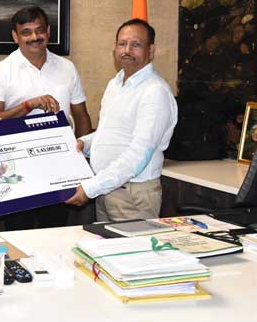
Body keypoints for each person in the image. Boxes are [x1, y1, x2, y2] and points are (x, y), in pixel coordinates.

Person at [0, 6, 92, 230]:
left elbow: (81, 116)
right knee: (20, 232)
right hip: (18, 168)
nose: (34, 37)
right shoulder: (3, 70)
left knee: (56, 230)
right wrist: (27, 105)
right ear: (15, 36)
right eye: (26, 32)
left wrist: (84, 161)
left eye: (39, 30)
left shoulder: (67, 67)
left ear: (48, 31)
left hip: (60, 166)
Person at [66, 18, 177, 221]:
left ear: (151, 50)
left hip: (132, 196)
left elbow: (139, 154)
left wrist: (91, 188)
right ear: (115, 48)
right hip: (106, 190)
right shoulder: (115, 85)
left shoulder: (155, 91)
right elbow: (112, 133)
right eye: (122, 43)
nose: (127, 50)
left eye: (136, 45)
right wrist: (85, 143)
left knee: (132, 243)